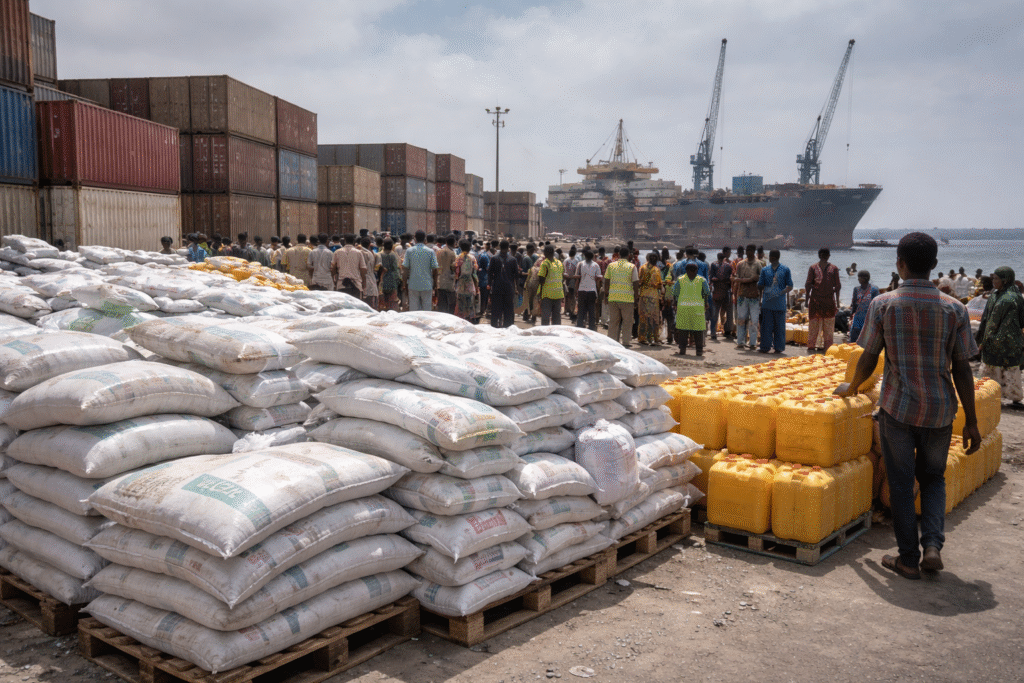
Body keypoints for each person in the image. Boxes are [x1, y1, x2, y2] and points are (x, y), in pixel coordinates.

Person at [839, 231, 979, 580]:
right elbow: (963, 369)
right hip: (940, 411)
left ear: (899, 264)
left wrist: (853, 386)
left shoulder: (883, 304)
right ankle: (932, 545)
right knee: (933, 479)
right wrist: (972, 421)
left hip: (897, 410)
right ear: (933, 265)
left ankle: (908, 558)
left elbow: (869, 356)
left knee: (901, 484)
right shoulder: (955, 309)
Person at [976, 266, 1024, 405]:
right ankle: (1014, 397)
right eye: (993, 279)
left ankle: (989, 396)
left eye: (996, 279)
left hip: (993, 341)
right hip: (1010, 342)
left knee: (992, 369)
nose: (993, 281)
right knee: (1011, 370)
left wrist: (981, 341)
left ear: (1005, 280)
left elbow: (987, 322)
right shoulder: (1015, 297)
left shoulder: (999, 298)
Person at [804, 248, 842, 352]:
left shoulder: (834, 268)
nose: (825, 256)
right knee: (813, 325)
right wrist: (806, 300)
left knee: (828, 327)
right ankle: (811, 346)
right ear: (819, 255)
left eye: (826, 254)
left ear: (829, 255)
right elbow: (808, 285)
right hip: (815, 301)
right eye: (823, 254)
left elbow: (838, 286)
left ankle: (828, 348)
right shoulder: (813, 268)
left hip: (829, 301)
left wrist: (837, 303)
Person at [757, 249, 794, 353]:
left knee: (779, 327)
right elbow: (760, 284)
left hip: (780, 303)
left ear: (774, 257)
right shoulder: (765, 270)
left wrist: (781, 292)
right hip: (767, 303)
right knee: (766, 327)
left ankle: (779, 347)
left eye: (772, 257)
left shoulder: (785, 269)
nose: (771, 259)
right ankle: (765, 347)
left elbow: (790, 286)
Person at [672, 261, 710, 357]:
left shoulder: (680, 280)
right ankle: (699, 351)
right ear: (697, 270)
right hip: (697, 310)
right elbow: (706, 293)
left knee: (683, 330)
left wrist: (675, 303)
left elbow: (675, 293)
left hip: (683, 309)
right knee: (698, 331)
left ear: (686, 270)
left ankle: (682, 349)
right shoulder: (702, 280)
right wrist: (706, 303)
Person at [604, 246, 640, 347]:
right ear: (629, 255)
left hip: (613, 297)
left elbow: (606, 281)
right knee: (627, 322)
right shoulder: (632, 267)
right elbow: (636, 283)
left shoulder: (611, 266)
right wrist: (636, 298)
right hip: (627, 299)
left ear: (619, 255)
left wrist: (606, 295)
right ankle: (626, 342)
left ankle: (612, 341)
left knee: (613, 321)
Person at [402, 231, 439, 312]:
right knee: (426, 311)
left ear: (414, 238)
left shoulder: (409, 251)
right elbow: (435, 269)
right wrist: (435, 284)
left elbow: (405, 269)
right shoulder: (430, 252)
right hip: (427, 284)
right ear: (425, 238)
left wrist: (404, 284)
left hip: (413, 285)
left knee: (414, 311)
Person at [734, 244, 762, 351]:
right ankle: (740, 342)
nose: (748, 252)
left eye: (751, 250)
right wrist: (735, 295)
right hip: (742, 296)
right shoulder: (741, 264)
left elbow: (761, 280)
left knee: (754, 321)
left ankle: (753, 343)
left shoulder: (759, 264)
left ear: (754, 251)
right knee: (741, 319)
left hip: (754, 296)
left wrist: (760, 298)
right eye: (747, 250)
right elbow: (737, 279)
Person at [488, 240, 520, 328]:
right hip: (509, 289)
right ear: (508, 247)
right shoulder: (513, 259)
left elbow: (490, 273)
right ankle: (508, 328)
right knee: (508, 310)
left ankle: (494, 327)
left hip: (497, 288)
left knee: (496, 309)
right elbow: (516, 275)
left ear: (499, 246)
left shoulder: (494, 258)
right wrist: (516, 288)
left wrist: (489, 285)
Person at [637, 252, 664, 345]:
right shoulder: (656, 269)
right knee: (654, 318)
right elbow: (659, 284)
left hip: (644, 295)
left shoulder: (642, 268)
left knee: (644, 317)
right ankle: (654, 338)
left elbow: (639, 281)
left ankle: (642, 338)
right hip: (653, 297)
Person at [848, 270, 881, 343]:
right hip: (858, 318)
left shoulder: (874, 289)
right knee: (854, 338)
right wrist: (851, 314)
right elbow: (854, 303)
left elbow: (877, 305)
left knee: (867, 339)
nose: (858, 279)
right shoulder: (856, 289)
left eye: (859, 278)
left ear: (864, 279)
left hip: (869, 318)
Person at [537, 244, 565, 326]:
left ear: (545, 253)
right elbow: (562, 277)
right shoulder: (559, 263)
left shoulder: (545, 263)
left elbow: (541, 279)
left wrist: (539, 294)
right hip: (558, 294)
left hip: (547, 295)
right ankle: (556, 336)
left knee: (545, 318)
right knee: (557, 318)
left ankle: (545, 336)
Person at [575, 248, 602, 331]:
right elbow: (599, 277)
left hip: (582, 290)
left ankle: (580, 326)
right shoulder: (596, 265)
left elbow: (577, 276)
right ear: (593, 257)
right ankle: (591, 328)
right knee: (591, 310)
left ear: (585, 256)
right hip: (592, 290)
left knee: (581, 311)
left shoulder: (580, 264)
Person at [709, 252, 733, 341]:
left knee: (720, 313)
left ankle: (718, 332)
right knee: (720, 313)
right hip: (721, 292)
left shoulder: (724, 265)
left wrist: (716, 280)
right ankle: (716, 332)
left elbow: (712, 277)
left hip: (721, 292)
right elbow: (712, 277)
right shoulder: (724, 265)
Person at [454, 240, 479, 321]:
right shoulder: (472, 258)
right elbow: (474, 274)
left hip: (460, 285)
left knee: (460, 306)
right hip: (470, 285)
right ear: (469, 248)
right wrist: (476, 286)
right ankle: (469, 320)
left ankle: (461, 321)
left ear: (461, 248)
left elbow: (456, 273)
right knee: (470, 305)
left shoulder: (458, 258)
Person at [378, 238, 402, 311]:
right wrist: (399, 280)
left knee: (382, 303)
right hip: (392, 281)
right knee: (392, 302)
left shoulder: (379, 254)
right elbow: (396, 268)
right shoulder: (393, 255)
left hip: (382, 282)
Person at [436, 235, 457, 315]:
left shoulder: (439, 251)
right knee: (450, 303)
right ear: (454, 243)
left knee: (441, 302)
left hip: (440, 279)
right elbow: (453, 267)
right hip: (449, 280)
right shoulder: (452, 253)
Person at [359, 236, 380, 309]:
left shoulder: (361, 252)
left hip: (364, 280)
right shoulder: (370, 253)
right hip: (369, 280)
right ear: (369, 245)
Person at [563, 246, 580, 323]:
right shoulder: (576, 261)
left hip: (566, 279)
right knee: (572, 296)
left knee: (567, 295)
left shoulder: (565, 260)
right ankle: (572, 310)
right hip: (573, 279)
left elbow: (564, 270)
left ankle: (567, 310)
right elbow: (577, 271)